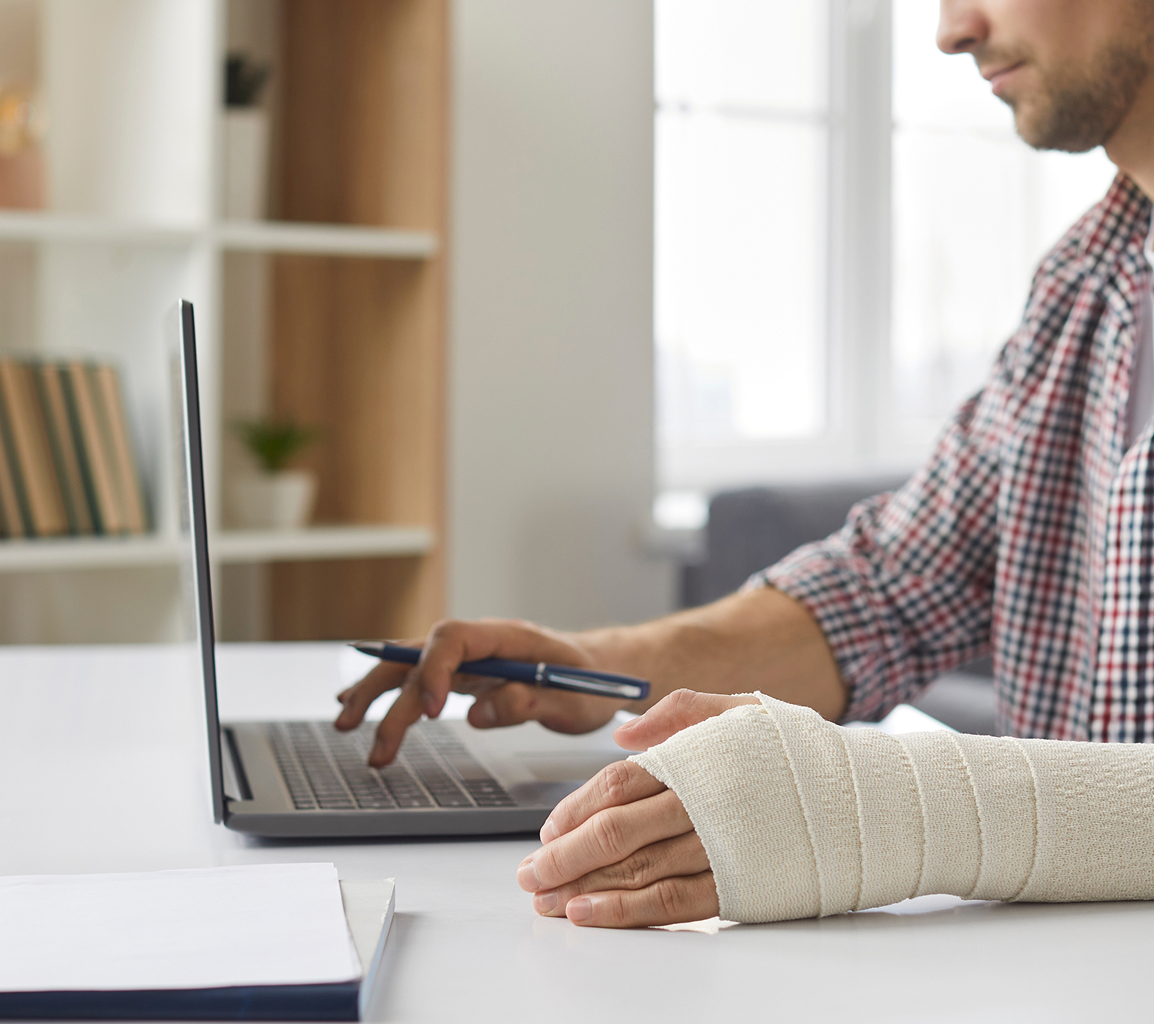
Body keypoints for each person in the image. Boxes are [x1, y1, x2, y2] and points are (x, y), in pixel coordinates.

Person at [336, 0, 1154, 928]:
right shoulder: (1088, 279)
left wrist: (873, 809)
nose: (950, 30)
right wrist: (593, 668)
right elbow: (884, 594)